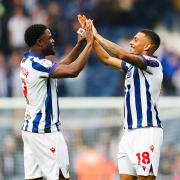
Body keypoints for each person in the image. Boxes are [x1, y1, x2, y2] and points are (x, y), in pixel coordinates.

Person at [78, 15, 163, 180]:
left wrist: (97, 36)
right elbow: (106, 59)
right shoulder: (132, 67)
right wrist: (91, 37)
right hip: (128, 132)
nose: (131, 42)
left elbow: (122, 55)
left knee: (145, 177)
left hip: (146, 131)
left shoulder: (153, 64)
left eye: (136, 40)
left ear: (147, 46)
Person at [20, 22, 93, 180]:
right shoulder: (39, 65)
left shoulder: (28, 61)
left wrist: (80, 44)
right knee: (61, 177)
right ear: (40, 42)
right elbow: (73, 71)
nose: (53, 41)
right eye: (50, 38)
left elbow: (61, 65)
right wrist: (90, 43)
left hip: (30, 130)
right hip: (45, 131)